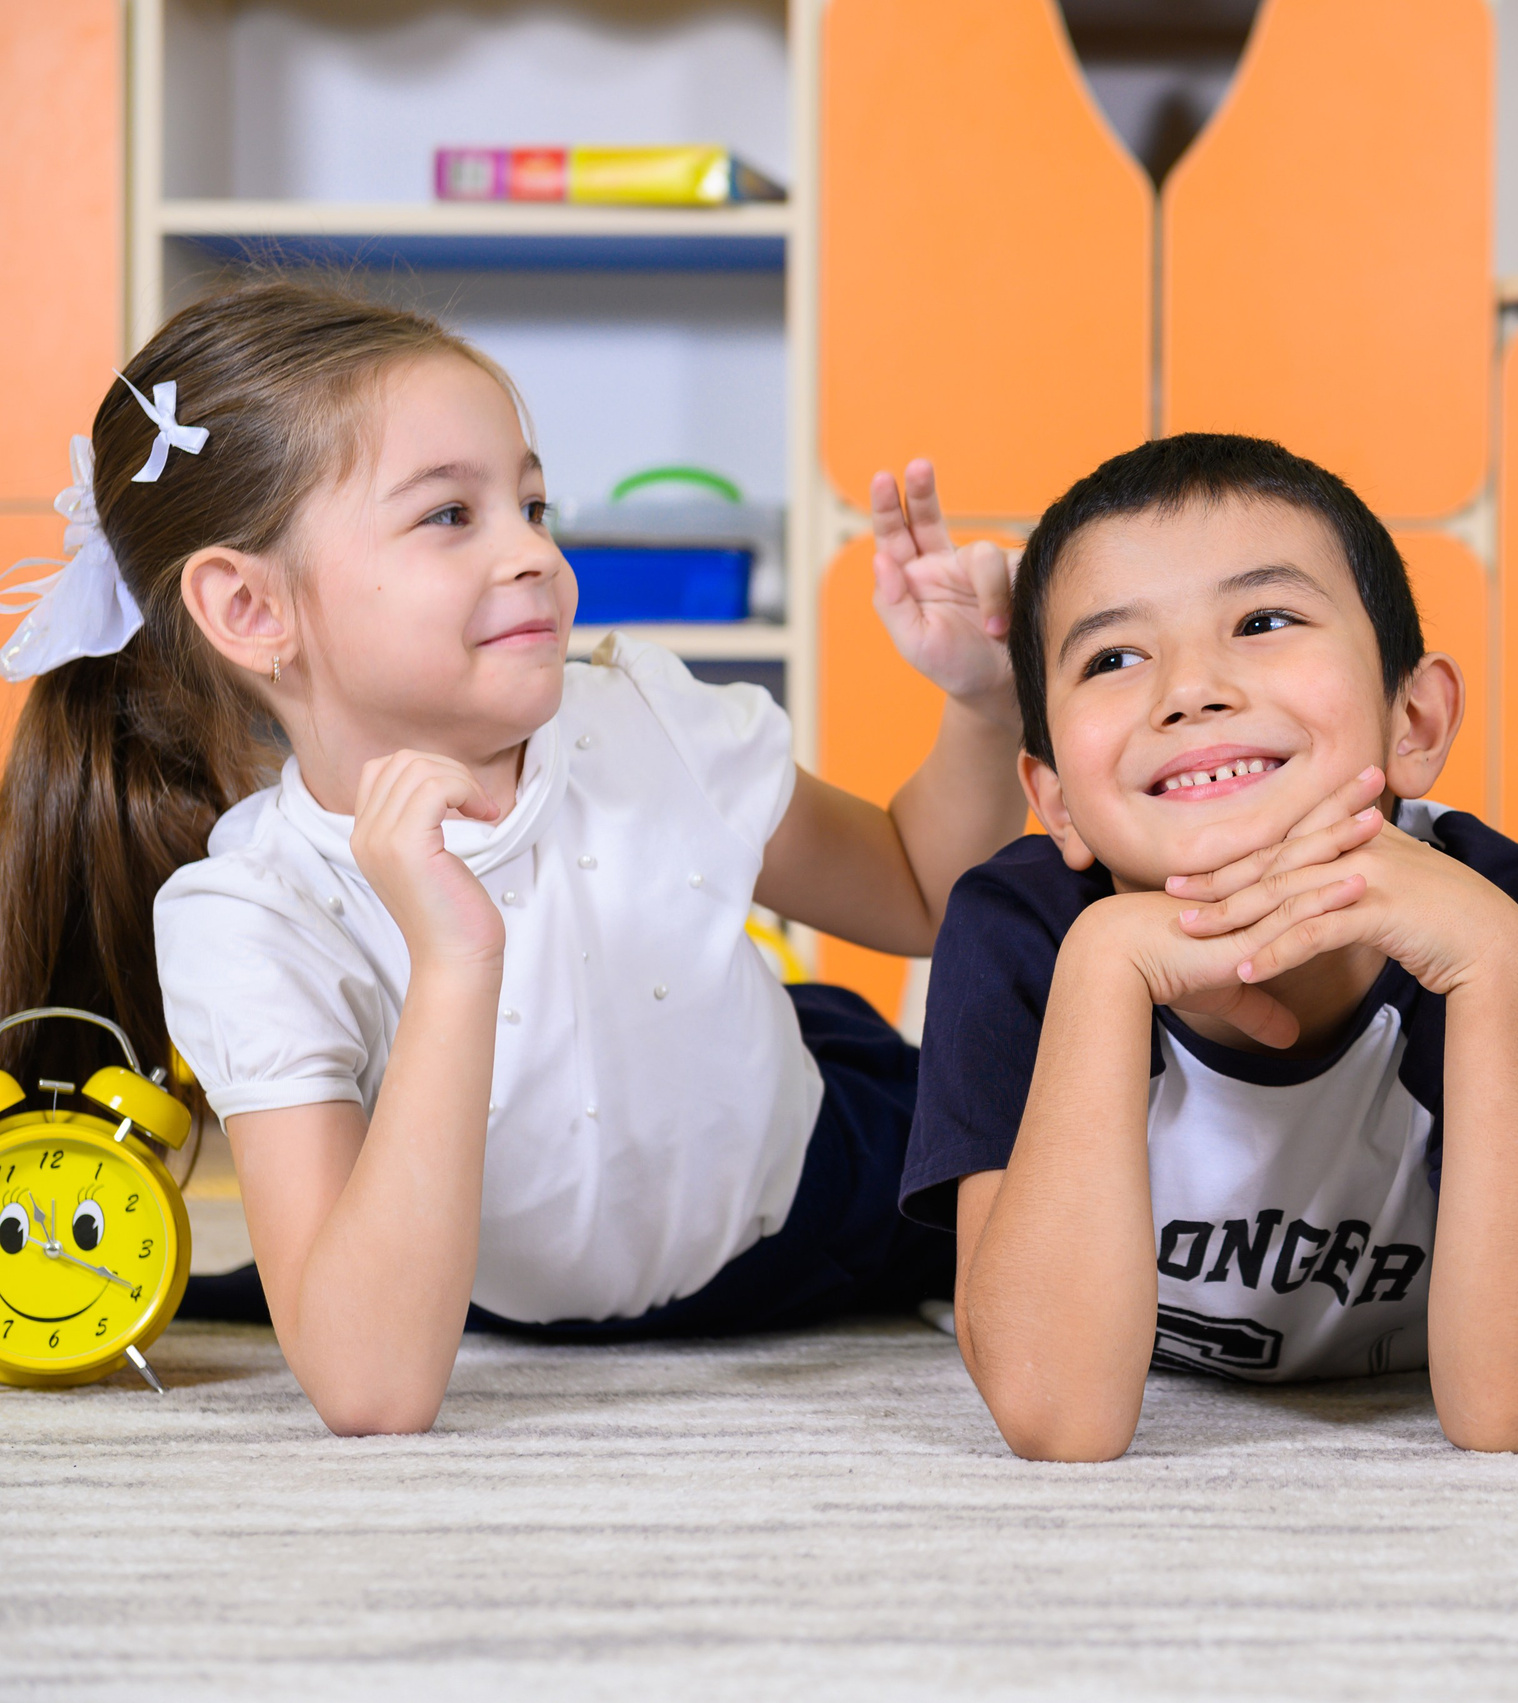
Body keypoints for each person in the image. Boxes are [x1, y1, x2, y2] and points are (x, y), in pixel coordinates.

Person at [0, 278, 1027, 1434]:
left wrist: (984, 704)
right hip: (504, 1300)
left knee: (1078, 1159)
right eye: (451, 515)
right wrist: (451, 957)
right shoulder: (253, 911)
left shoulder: (649, 721)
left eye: (533, 505)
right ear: (249, 609)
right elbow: (375, 1384)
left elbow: (924, 889)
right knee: (297, 1288)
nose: (533, 553)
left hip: (810, 1184)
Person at [900, 434, 1518, 1461]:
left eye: (1264, 620)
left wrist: (1495, 966)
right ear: (1054, 800)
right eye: (1113, 656)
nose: (1191, 688)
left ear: (1412, 718)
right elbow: (1056, 1415)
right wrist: (1106, 962)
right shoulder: (1019, 932)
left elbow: (1513, 1406)